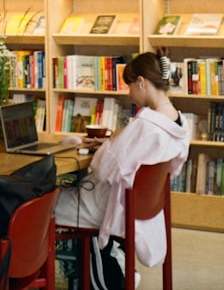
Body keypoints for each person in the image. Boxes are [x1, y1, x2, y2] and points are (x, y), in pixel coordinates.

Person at [55, 52, 191, 287]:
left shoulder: (145, 125)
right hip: (143, 207)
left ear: (141, 82)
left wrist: (110, 143)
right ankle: (115, 265)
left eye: (130, 86)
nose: (129, 93)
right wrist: (117, 141)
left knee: (41, 203)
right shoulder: (179, 123)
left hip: (108, 206)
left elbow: (102, 169)